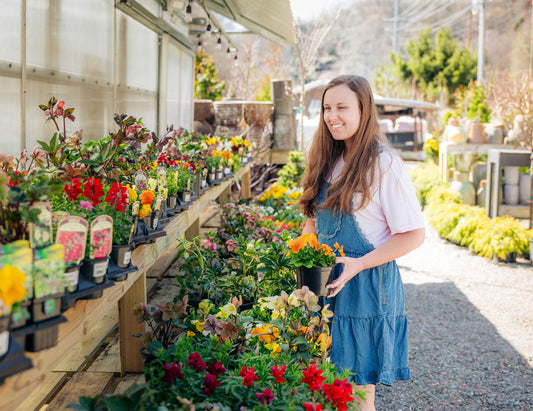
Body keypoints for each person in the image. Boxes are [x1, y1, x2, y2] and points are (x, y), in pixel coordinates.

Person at [299, 75, 425, 411]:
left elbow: (414, 234)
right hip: (324, 283)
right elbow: (314, 218)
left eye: (342, 107)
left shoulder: (383, 164)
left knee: (354, 396)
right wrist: (301, 249)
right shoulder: (328, 156)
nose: (332, 115)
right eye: (327, 107)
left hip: (366, 287)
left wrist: (359, 263)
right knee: (321, 386)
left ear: (363, 110)